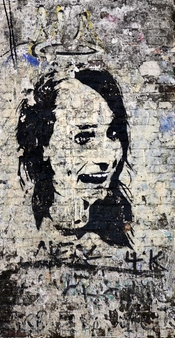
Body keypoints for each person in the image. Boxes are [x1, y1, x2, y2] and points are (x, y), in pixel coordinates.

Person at [16, 66, 133, 247]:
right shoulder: (23, 225)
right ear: (44, 144)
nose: (106, 158)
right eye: (83, 137)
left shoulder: (120, 230)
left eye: (112, 134)